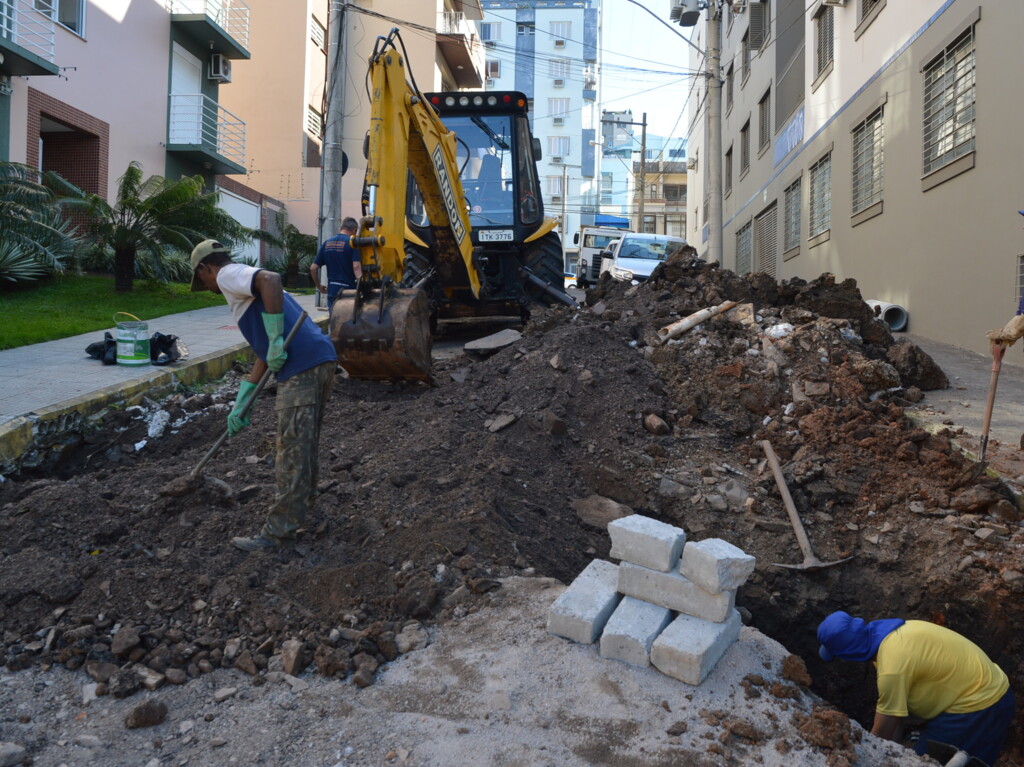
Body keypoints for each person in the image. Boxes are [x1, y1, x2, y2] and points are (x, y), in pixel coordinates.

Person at [190, 239, 338, 551]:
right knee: (303, 443)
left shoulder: (227, 275)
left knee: (292, 452)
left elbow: (271, 279)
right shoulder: (247, 290)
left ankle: (278, 535)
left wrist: (273, 339)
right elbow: (266, 351)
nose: (206, 286)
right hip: (318, 358)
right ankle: (304, 504)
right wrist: (245, 399)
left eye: (200, 278)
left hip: (302, 365)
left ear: (206, 268)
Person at [817, 610, 1014, 765]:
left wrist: (868, 755)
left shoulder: (892, 668)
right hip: (994, 691)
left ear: (850, 653)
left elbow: (882, 732)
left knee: (922, 761)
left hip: (977, 709)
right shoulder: (896, 634)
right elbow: (896, 717)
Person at [310, 217, 362, 310]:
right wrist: (362, 286)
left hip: (332, 289)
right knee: (348, 319)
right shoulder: (353, 243)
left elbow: (313, 268)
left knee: (334, 319)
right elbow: (356, 267)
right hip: (348, 291)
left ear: (341, 228)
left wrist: (319, 286)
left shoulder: (326, 243)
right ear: (354, 230)